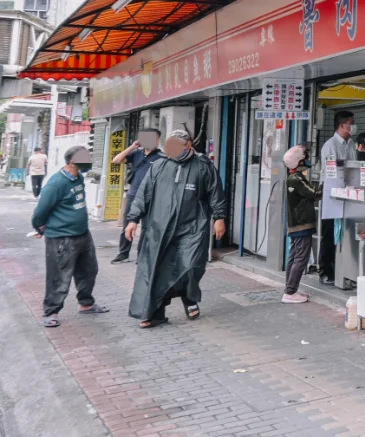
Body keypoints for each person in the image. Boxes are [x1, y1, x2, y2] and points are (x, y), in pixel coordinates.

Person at [125, 128, 227, 329]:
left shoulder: (203, 166)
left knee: (190, 267)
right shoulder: (159, 165)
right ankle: (152, 313)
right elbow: (143, 194)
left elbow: (216, 193)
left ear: (188, 145)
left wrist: (219, 217)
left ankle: (189, 297)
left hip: (193, 227)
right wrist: (133, 219)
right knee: (154, 270)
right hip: (159, 228)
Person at [31, 146, 109, 327]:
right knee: (59, 276)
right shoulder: (56, 183)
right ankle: (51, 311)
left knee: (88, 271)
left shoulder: (78, 177)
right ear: (72, 162)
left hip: (83, 234)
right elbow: (40, 212)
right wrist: (39, 228)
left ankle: (86, 303)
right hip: (61, 237)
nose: (89, 161)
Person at [111, 130, 163, 264]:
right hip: (134, 194)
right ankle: (123, 254)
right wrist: (132, 147)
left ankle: (141, 255)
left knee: (147, 227)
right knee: (128, 225)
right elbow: (116, 160)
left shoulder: (161, 157)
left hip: (151, 196)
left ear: (157, 140)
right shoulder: (136, 154)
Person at [319, 110, 356, 286]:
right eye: (351, 122)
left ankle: (345, 270)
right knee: (329, 233)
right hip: (332, 195)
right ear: (342, 125)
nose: (353, 126)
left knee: (345, 234)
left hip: (348, 195)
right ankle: (325, 270)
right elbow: (331, 171)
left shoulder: (351, 145)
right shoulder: (330, 145)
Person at [282, 145, 319, 303]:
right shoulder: (297, 179)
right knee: (301, 257)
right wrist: (329, 185)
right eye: (305, 157)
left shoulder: (291, 177)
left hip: (295, 223)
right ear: (299, 160)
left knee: (294, 256)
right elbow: (314, 193)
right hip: (302, 223)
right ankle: (290, 292)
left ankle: (290, 288)